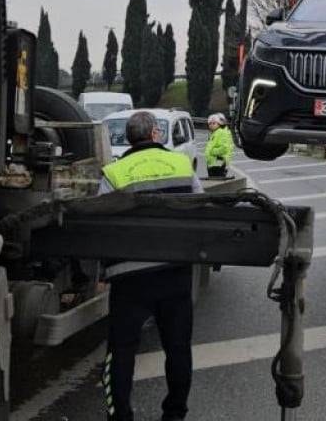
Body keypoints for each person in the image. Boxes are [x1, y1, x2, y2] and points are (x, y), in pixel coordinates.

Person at [98, 111, 204, 421]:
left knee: (121, 350)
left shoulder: (113, 172)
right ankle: (174, 413)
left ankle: (120, 415)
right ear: (156, 135)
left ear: (129, 138)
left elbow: (99, 223)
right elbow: (200, 210)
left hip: (129, 278)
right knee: (178, 348)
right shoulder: (182, 165)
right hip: (174, 273)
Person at [204, 113, 233, 178]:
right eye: (210, 123)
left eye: (214, 123)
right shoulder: (216, 132)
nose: (211, 125)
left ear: (219, 123)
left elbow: (224, 148)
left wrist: (211, 152)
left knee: (216, 182)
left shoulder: (221, 132)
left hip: (218, 163)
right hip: (214, 163)